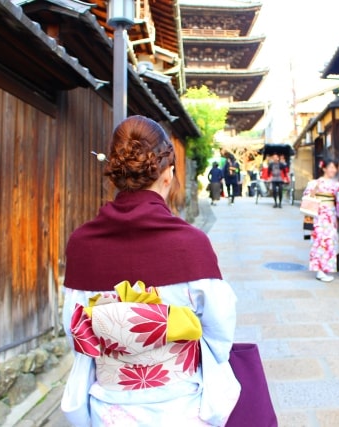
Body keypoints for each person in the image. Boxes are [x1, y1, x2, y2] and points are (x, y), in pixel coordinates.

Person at [61, 115, 239, 426]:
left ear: (116, 175)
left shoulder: (82, 244)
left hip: (109, 408)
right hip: (181, 407)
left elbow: (74, 330)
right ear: (168, 174)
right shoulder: (191, 244)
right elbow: (220, 329)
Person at [303, 159, 339, 282]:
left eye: (334, 168)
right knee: (319, 241)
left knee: (330, 242)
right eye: (330, 167)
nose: (333, 170)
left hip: (330, 216)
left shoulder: (337, 185)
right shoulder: (314, 183)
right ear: (324, 168)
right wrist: (314, 191)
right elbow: (307, 198)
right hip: (318, 216)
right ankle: (319, 271)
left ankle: (325, 269)